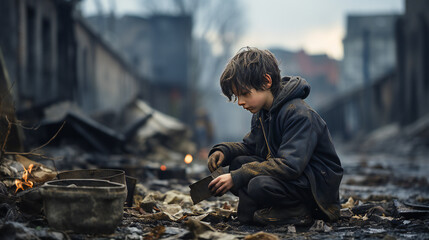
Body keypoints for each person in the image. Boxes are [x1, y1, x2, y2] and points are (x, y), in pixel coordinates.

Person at [207, 47, 343, 226]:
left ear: (266, 81)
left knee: (257, 183)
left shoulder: (299, 114)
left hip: (315, 188)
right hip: (295, 181)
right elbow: (251, 147)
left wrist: (237, 177)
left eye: (245, 94)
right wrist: (224, 151)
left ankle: (299, 211)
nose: (240, 102)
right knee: (238, 163)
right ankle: (267, 210)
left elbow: (289, 166)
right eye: (237, 96)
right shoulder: (263, 113)